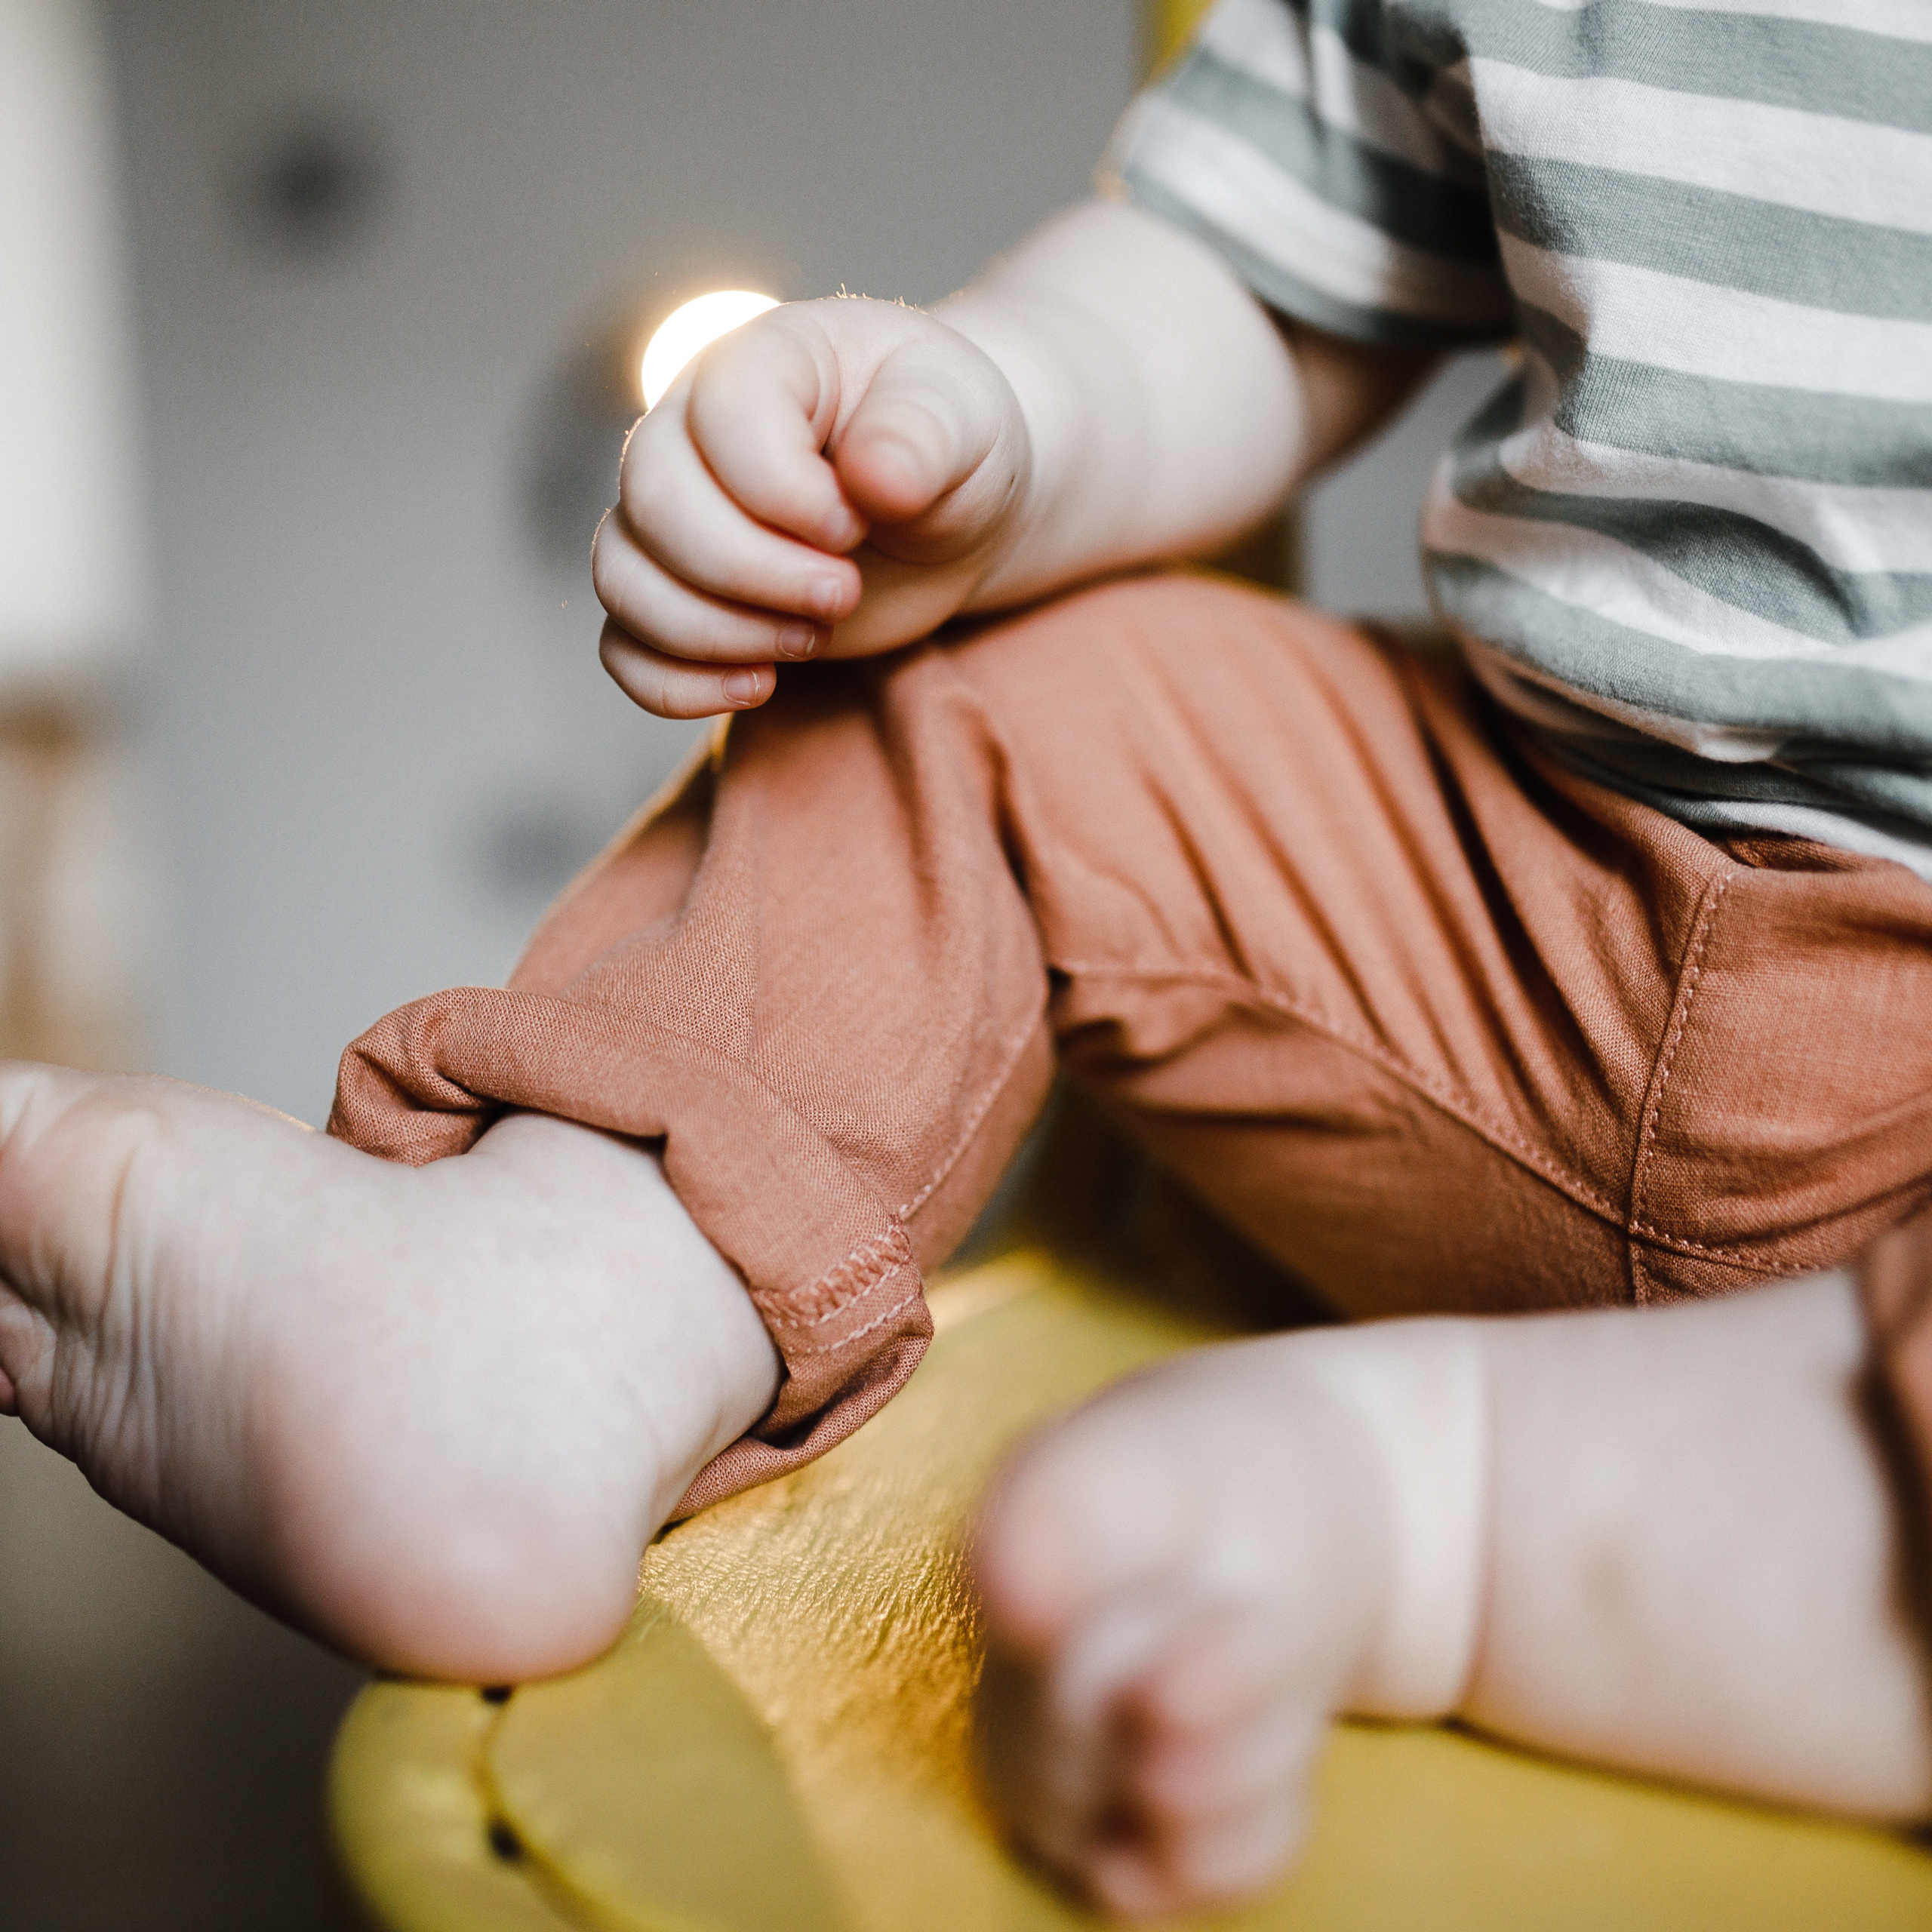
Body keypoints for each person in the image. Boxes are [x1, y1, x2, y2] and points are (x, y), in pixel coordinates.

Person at [2, 0, 1929, 1915]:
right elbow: (1254, 286)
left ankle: (1454, 1516)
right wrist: (1006, 421)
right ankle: (547, 1323)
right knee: (955, 689)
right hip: (1516, 912)